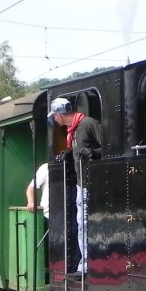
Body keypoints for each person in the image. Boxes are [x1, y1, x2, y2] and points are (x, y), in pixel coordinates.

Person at [48, 97, 101, 273]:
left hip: (91, 183)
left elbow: (111, 146)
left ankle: (86, 264)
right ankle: (84, 263)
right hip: (81, 183)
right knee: (82, 224)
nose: (54, 120)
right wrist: (70, 153)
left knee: (85, 224)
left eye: (54, 116)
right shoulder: (75, 129)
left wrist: (93, 152)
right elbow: (81, 148)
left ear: (60, 114)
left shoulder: (88, 124)